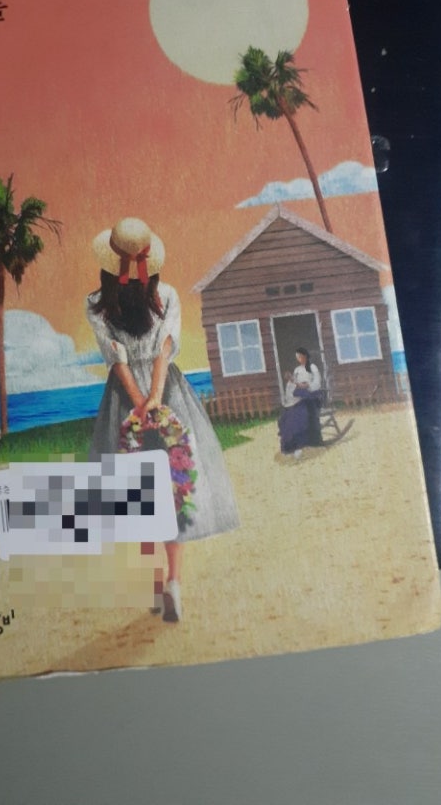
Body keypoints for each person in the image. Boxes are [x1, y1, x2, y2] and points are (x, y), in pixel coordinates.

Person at [86, 217, 240, 623]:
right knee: (173, 487)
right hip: (166, 391)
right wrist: (154, 398)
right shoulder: (166, 295)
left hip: (125, 399)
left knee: (139, 493)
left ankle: (155, 584)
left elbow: (116, 358)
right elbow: (164, 349)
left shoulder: (96, 303)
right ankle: (173, 581)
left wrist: (138, 403)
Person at [278, 347, 323, 456]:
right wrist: (291, 380)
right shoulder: (297, 369)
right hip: (299, 396)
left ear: (305, 356)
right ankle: (290, 446)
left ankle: (300, 444)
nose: (299, 359)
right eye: (297, 357)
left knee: (299, 415)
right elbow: (294, 384)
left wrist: (307, 385)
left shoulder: (312, 367)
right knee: (287, 417)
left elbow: (317, 383)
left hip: (311, 396)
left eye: (301, 356)